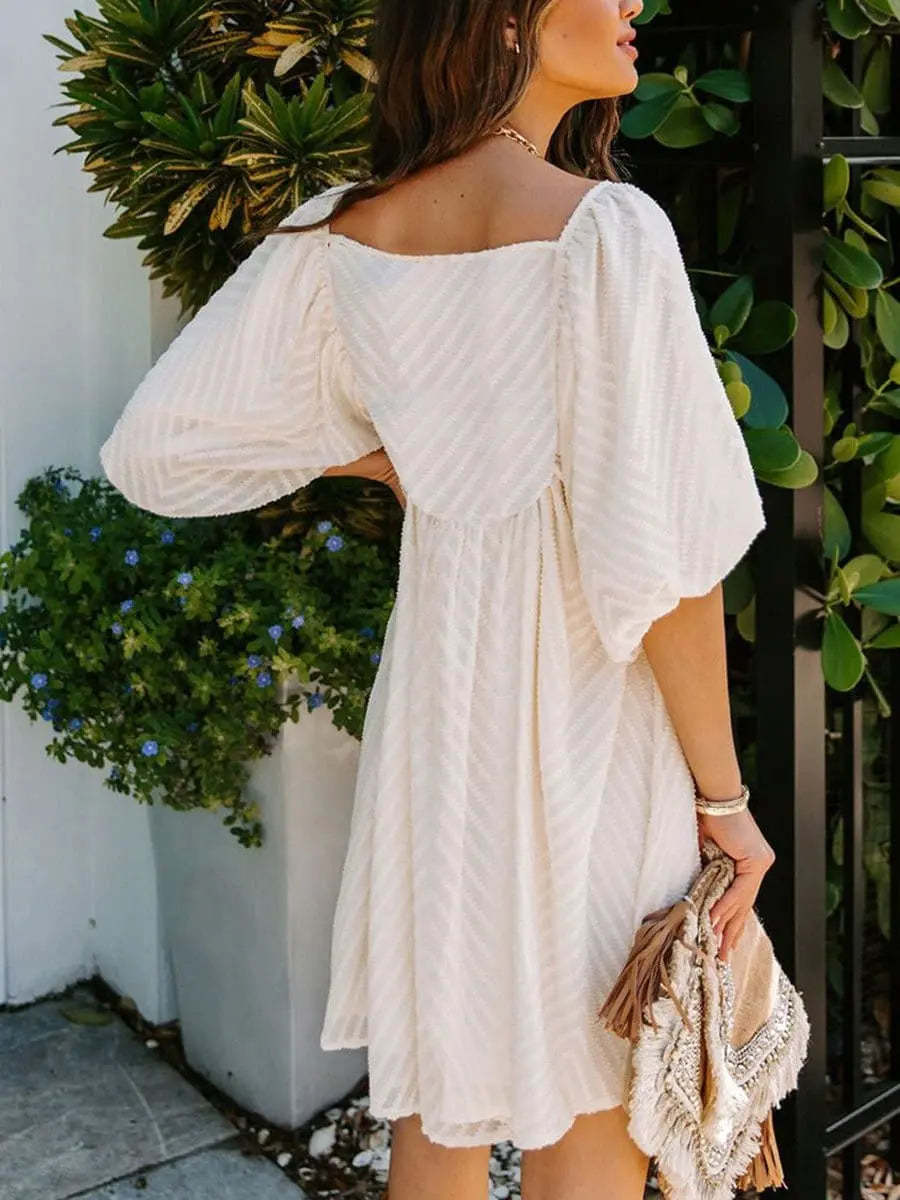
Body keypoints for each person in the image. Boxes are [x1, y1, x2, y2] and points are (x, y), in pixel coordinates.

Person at [99, 0, 777, 1196]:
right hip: (588, 732)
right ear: (506, 16)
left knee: (441, 1104)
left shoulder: (342, 230)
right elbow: (672, 571)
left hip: (438, 733)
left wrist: (390, 459)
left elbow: (157, 448)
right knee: (597, 1101)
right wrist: (724, 802)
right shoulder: (606, 232)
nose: (633, 4)